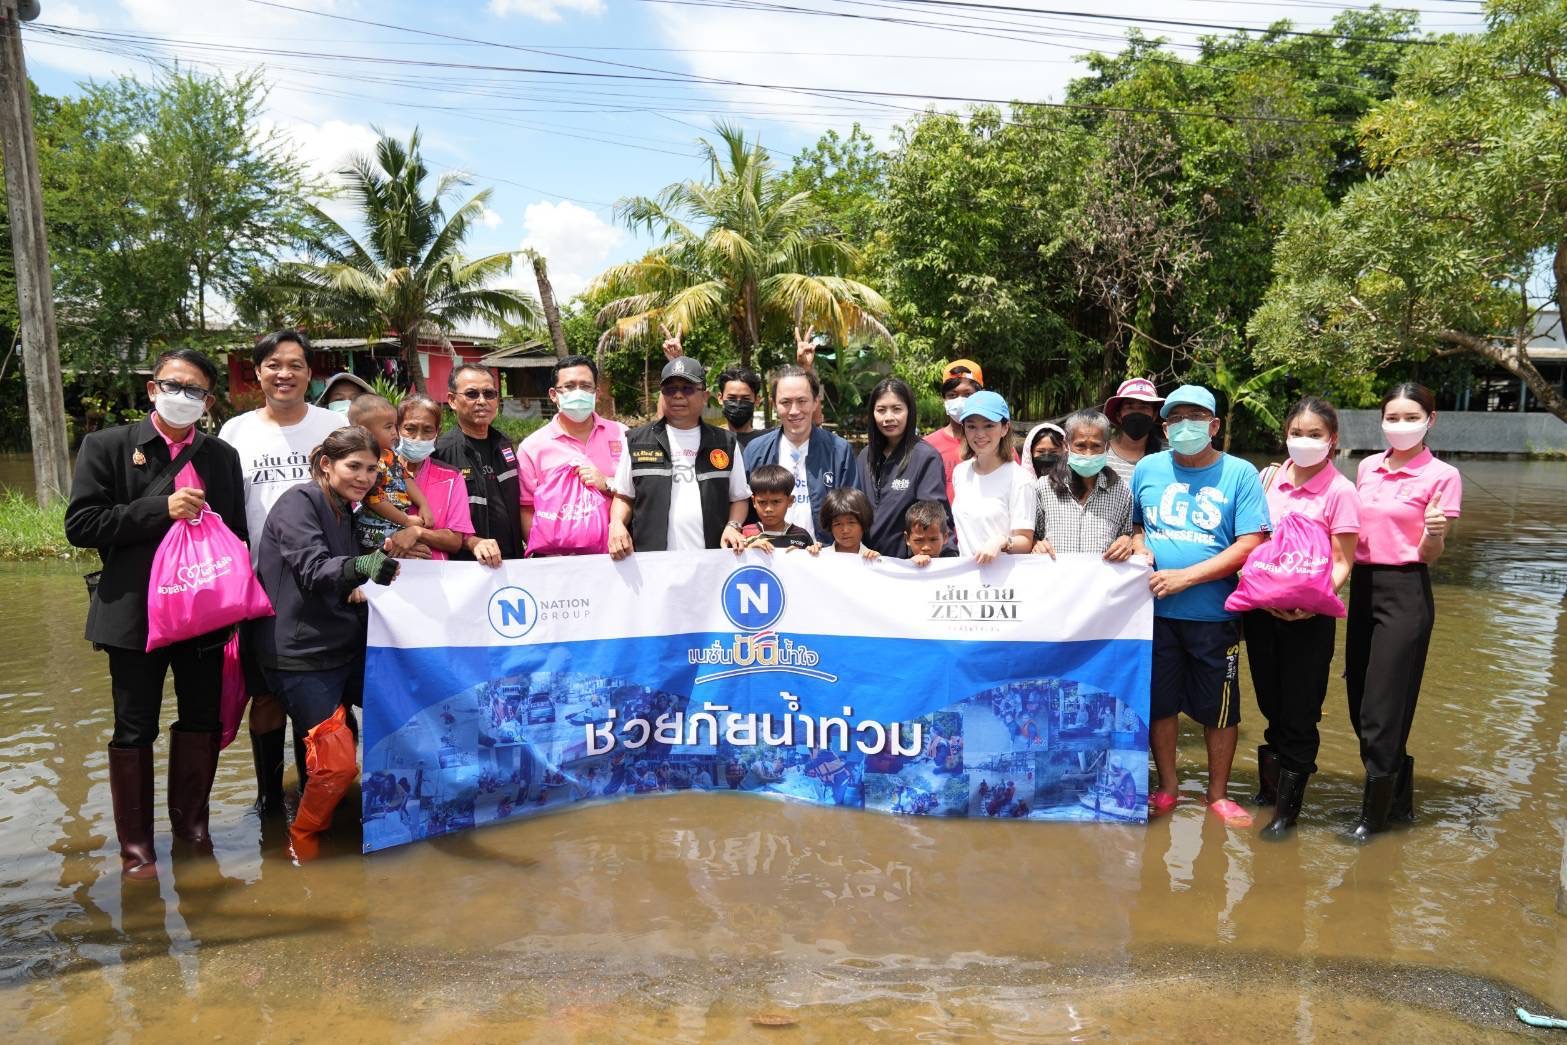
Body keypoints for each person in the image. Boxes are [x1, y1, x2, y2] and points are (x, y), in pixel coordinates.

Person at [65, 348, 247, 879]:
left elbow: (236, 534)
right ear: (152, 389)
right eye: (175, 385)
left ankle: (193, 831)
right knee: (133, 725)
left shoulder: (220, 457)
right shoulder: (107, 446)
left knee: (201, 719)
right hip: (133, 615)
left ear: (209, 401)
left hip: (203, 610)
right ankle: (137, 851)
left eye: (196, 391)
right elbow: (82, 525)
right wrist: (157, 510)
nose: (184, 397)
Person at [253, 426, 401, 861]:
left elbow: (351, 571)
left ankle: (361, 814)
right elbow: (316, 569)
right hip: (299, 652)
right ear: (326, 464)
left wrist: (377, 564)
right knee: (336, 761)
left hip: (344, 645)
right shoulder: (298, 503)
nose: (364, 477)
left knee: (409, 708)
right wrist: (365, 565)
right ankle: (302, 836)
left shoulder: (347, 510)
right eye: (353, 466)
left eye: (372, 469)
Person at [217, 329, 347, 816]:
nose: (284, 373)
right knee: (266, 695)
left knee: (321, 697)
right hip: (260, 587)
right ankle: (269, 797)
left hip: (327, 579)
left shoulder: (333, 425)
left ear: (309, 373)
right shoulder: (235, 432)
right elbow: (227, 511)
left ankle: (314, 789)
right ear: (258, 372)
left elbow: (365, 492)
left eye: (294, 364)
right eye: (273, 364)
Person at [1130, 384, 1267, 827]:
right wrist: (1138, 546)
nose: (1183, 426)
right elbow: (1135, 525)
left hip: (1215, 614)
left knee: (1220, 709)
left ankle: (1218, 794)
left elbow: (1251, 542)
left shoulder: (1240, 473)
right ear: (1164, 427)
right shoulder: (1148, 468)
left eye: (1194, 417)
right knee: (1161, 705)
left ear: (1214, 425)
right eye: (1174, 419)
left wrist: (1187, 576)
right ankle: (1168, 787)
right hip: (1154, 614)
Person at [1344, 382, 1461, 841]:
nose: (1400, 425)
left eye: (1411, 417)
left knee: (1382, 711)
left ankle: (1372, 820)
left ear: (1430, 420)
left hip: (1406, 590)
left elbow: (1432, 554)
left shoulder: (1442, 476)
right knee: (1359, 704)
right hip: (1364, 588)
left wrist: (1434, 532)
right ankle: (1400, 805)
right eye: (1392, 417)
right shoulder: (1368, 467)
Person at [1242, 396, 1360, 840]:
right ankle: (1269, 791)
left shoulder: (1341, 492)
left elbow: (1342, 560)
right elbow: (1251, 541)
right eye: (1297, 433)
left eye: (1315, 435)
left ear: (1333, 440)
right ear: (1285, 436)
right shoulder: (1268, 479)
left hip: (1309, 618)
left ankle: (1287, 814)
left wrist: (1312, 603)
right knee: (1271, 703)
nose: (1304, 441)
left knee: (1299, 711)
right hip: (1261, 610)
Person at [607, 356, 750, 558]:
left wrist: (733, 526)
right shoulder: (636, 441)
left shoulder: (725, 443)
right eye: (670, 389)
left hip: (712, 562)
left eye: (688, 388)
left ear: (704, 395)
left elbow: (739, 498)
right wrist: (617, 524)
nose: (678, 395)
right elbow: (623, 496)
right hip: (652, 563)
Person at [517, 355, 626, 555]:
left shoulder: (623, 435)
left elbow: (641, 490)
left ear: (597, 393)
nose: (578, 393)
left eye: (585, 386)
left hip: (620, 556)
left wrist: (607, 483)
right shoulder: (532, 448)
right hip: (560, 563)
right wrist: (549, 555)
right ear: (553, 394)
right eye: (569, 386)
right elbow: (526, 508)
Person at [741, 365, 859, 546]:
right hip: (767, 559)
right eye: (785, 402)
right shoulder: (755, 451)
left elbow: (851, 512)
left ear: (815, 402)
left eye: (802, 401)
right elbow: (743, 505)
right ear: (774, 404)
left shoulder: (839, 451)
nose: (794, 411)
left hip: (822, 558)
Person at [394, 394, 502, 564]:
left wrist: (418, 532)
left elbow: (455, 540)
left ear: (438, 432)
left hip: (438, 578)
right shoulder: (378, 471)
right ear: (397, 428)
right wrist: (396, 544)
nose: (418, 437)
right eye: (410, 428)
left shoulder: (451, 477)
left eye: (428, 430)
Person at [433, 364, 524, 560]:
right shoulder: (440, 452)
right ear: (452, 400)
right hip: (467, 567)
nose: (482, 401)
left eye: (489, 394)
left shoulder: (505, 445)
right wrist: (471, 541)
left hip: (512, 563)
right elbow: (434, 519)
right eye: (472, 394)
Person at [856, 377, 948, 557]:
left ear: (909, 411)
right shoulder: (864, 457)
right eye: (881, 410)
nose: (888, 417)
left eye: (897, 409)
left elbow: (934, 517)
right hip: (866, 564)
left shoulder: (926, 457)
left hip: (909, 568)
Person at [1030, 409, 1136, 561]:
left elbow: (1127, 535)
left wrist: (1127, 541)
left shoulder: (1121, 491)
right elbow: (1031, 535)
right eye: (1080, 446)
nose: (1088, 454)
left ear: (1106, 447)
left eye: (1096, 446)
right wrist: (1036, 544)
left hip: (1102, 582)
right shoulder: (1044, 487)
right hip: (1055, 581)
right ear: (1067, 445)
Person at [950, 390, 1035, 562]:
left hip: (1003, 582)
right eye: (972, 426)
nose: (980, 434)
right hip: (966, 579)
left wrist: (1002, 542)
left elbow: (1025, 541)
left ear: (1005, 428)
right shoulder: (960, 472)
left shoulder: (1020, 479)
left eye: (989, 425)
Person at [347, 394, 432, 553]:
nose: (395, 433)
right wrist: (405, 520)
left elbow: (406, 479)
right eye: (388, 427)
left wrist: (424, 504)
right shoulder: (369, 463)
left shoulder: (391, 455)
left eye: (395, 426)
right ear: (365, 432)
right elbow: (374, 500)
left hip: (395, 523)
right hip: (375, 528)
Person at [924, 359, 985, 502]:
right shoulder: (927, 446)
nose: (960, 400)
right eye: (952, 395)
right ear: (944, 400)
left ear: (981, 395)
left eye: (967, 394)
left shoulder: (995, 444)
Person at [739, 464, 818, 552]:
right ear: (753, 501)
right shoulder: (743, 534)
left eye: (776, 501)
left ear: (790, 501)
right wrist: (749, 551)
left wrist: (806, 554)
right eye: (762, 502)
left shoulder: (802, 536)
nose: (768, 509)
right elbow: (732, 562)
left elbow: (810, 564)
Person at [1104, 377, 1165, 484]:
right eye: (1130, 407)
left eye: (1144, 407)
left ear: (1154, 415)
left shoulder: (1168, 456)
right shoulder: (1100, 453)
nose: (1136, 413)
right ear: (1119, 415)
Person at [820, 487, 880, 560]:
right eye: (837, 524)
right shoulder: (820, 557)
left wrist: (878, 563)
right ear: (830, 526)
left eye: (851, 522)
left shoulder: (874, 560)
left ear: (863, 522)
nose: (845, 530)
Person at [716, 364, 765, 448]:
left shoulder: (766, 443)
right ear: (720, 398)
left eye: (745, 398)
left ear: (757, 400)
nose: (738, 404)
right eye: (732, 398)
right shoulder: (708, 439)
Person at [904, 500, 959, 566]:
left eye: (933, 540)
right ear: (907, 539)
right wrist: (910, 565)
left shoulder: (954, 568)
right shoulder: (900, 571)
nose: (926, 548)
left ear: (945, 537)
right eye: (919, 540)